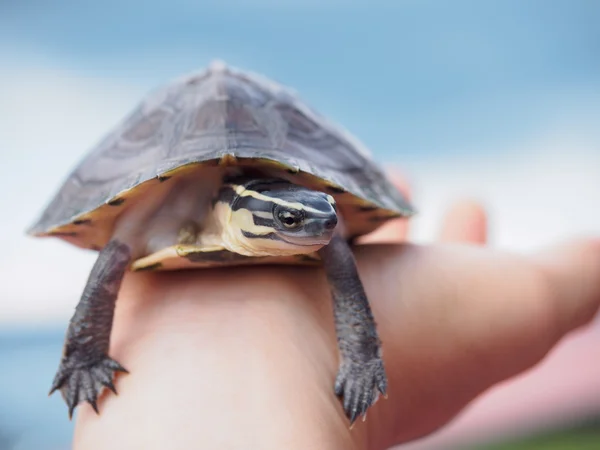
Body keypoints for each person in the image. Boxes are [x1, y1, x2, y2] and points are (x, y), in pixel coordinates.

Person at [72, 177, 600, 450]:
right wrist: (84, 354)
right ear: (236, 211)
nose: (321, 229)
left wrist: (362, 353)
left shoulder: (325, 231)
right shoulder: (155, 215)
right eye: (289, 219)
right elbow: (114, 254)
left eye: (324, 217)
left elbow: (334, 239)